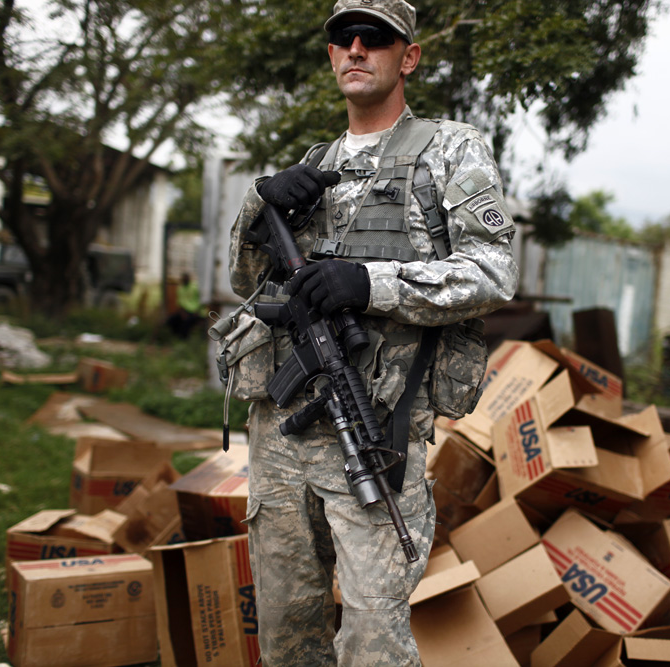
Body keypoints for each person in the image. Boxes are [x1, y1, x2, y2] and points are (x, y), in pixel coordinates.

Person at [227, 0, 518, 663]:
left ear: (406, 56)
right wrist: (261, 202)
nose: (357, 49)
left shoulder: (451, 149)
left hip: (375, 429)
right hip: (282, 430)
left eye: (376, 38)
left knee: (372, 640)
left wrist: (371, 284)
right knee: (286, 632)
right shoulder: (314, 161)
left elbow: (494, 273)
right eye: (343, 40)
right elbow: (247, 281)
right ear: (331, 56)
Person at [166, 272, 205, 338]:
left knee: (187, 322)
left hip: (196, 312)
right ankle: (176, 337)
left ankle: (183, 338)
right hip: (185, 311)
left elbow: (202, 301)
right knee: (171, 320)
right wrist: (182, 313)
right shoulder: (180, 288)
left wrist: (198, 311)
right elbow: (180, 302)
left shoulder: (195, 287)